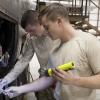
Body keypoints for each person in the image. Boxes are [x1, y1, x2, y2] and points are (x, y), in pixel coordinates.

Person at [4, 3, 100, 100]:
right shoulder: (54, 49)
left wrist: (75, 81)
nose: (45, 31)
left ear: (59, 21)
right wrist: (20, 89)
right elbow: (48, 78)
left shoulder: (88, 42)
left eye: (47, 27)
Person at [0, 10, 56, 100]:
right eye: (28, 32)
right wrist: (7, 79)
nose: (30, 34)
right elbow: (23, 60)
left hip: (62, 79)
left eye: (31, 30)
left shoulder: (56, 35)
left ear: (40, 22)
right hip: (45, 78)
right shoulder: (32, 38)